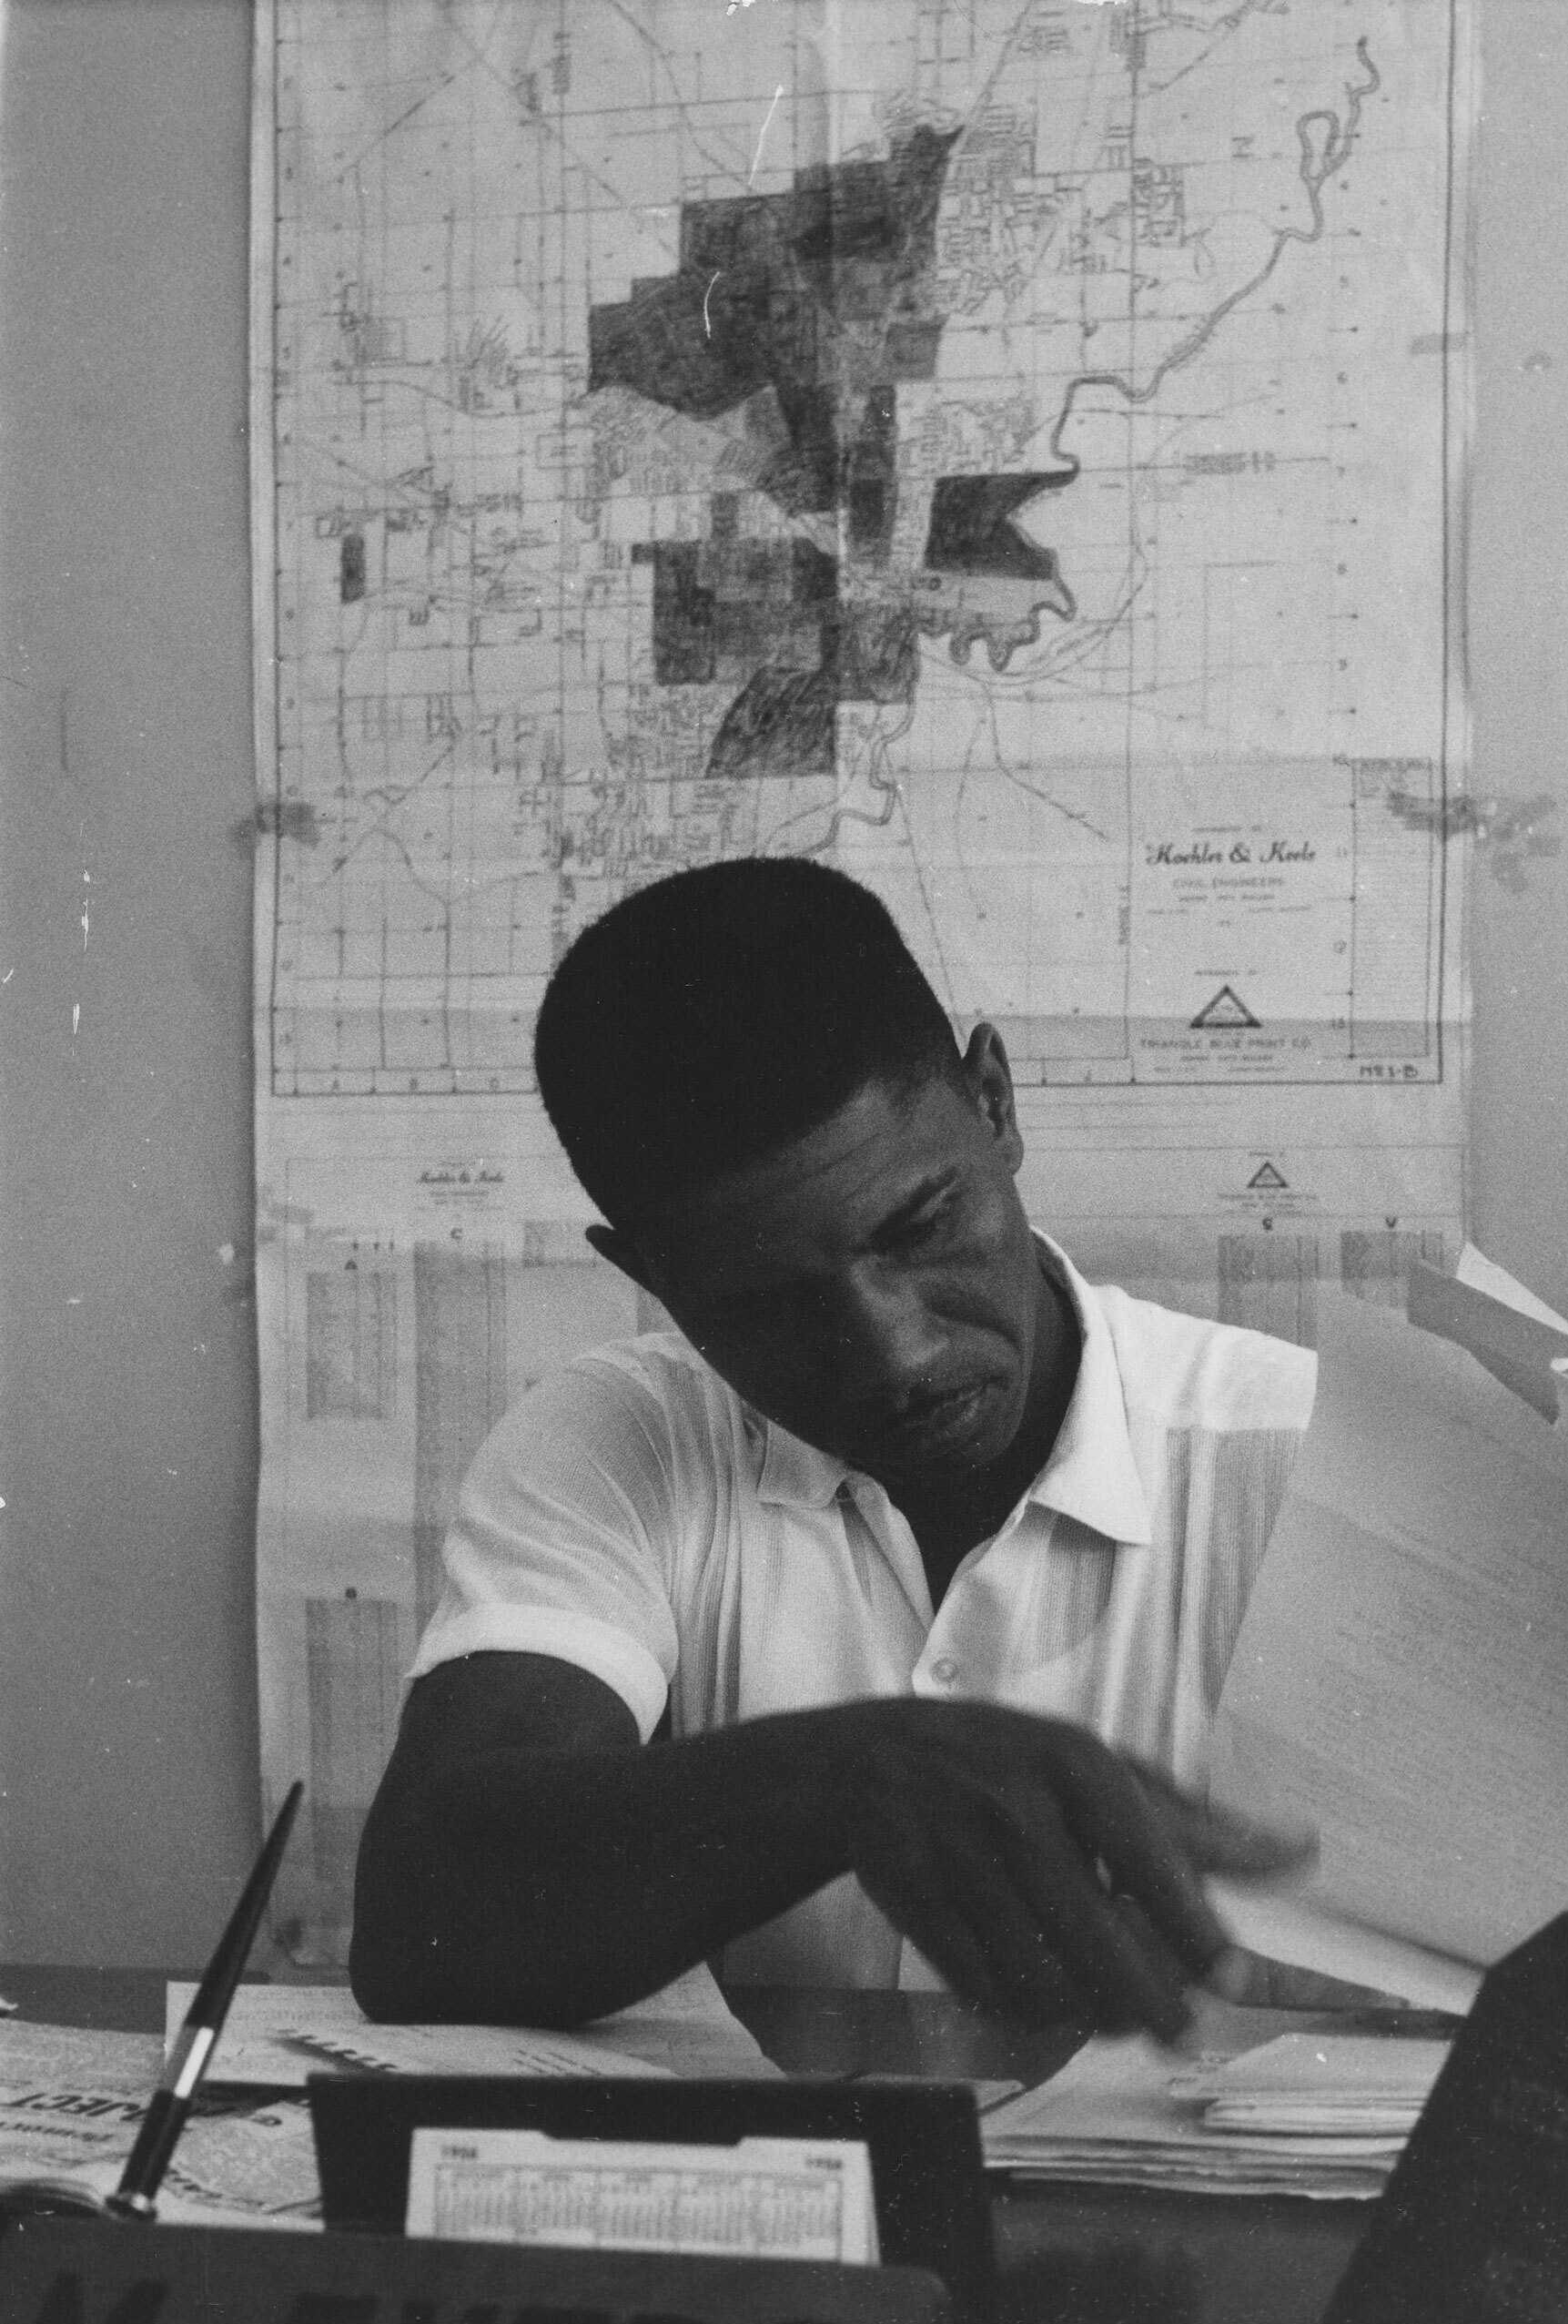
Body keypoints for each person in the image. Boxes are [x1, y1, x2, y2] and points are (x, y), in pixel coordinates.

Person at [350, 855, 1326, 2039]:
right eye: (766, 1303)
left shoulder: (1312, 1461)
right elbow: (424, 1927)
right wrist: (852, 1774)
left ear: (996, 1102)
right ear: (649, 1278)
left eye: (922, 1228)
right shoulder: (625, 1436)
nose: (895, 1355)